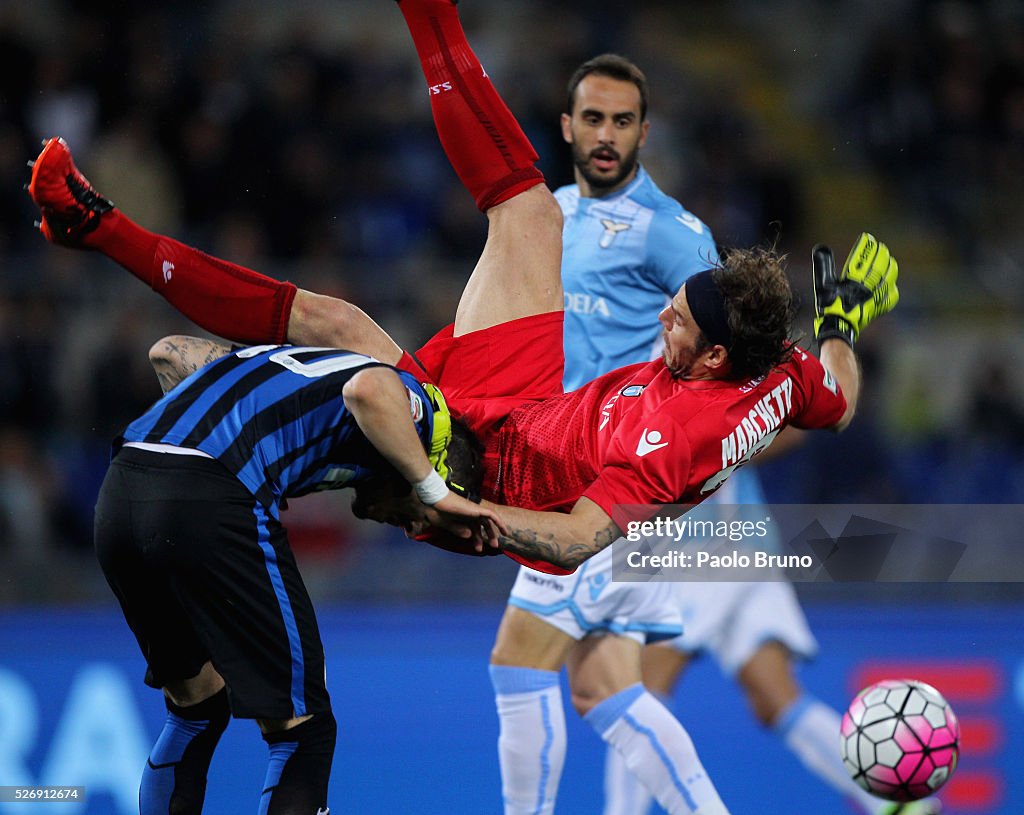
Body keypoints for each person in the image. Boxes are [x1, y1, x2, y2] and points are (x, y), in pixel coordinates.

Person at [28, 1, 899, 811]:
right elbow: (838, 398)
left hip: (480, 466)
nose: (666, 309)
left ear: (711, 355)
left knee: (567, 672)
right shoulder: (776, 371)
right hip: (523, 404)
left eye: (679, 316)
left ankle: (103, 232)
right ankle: (110, 223)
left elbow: (577, 536)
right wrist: (841, 323)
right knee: (506, 222)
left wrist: (462, 507)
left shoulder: (673, 438)